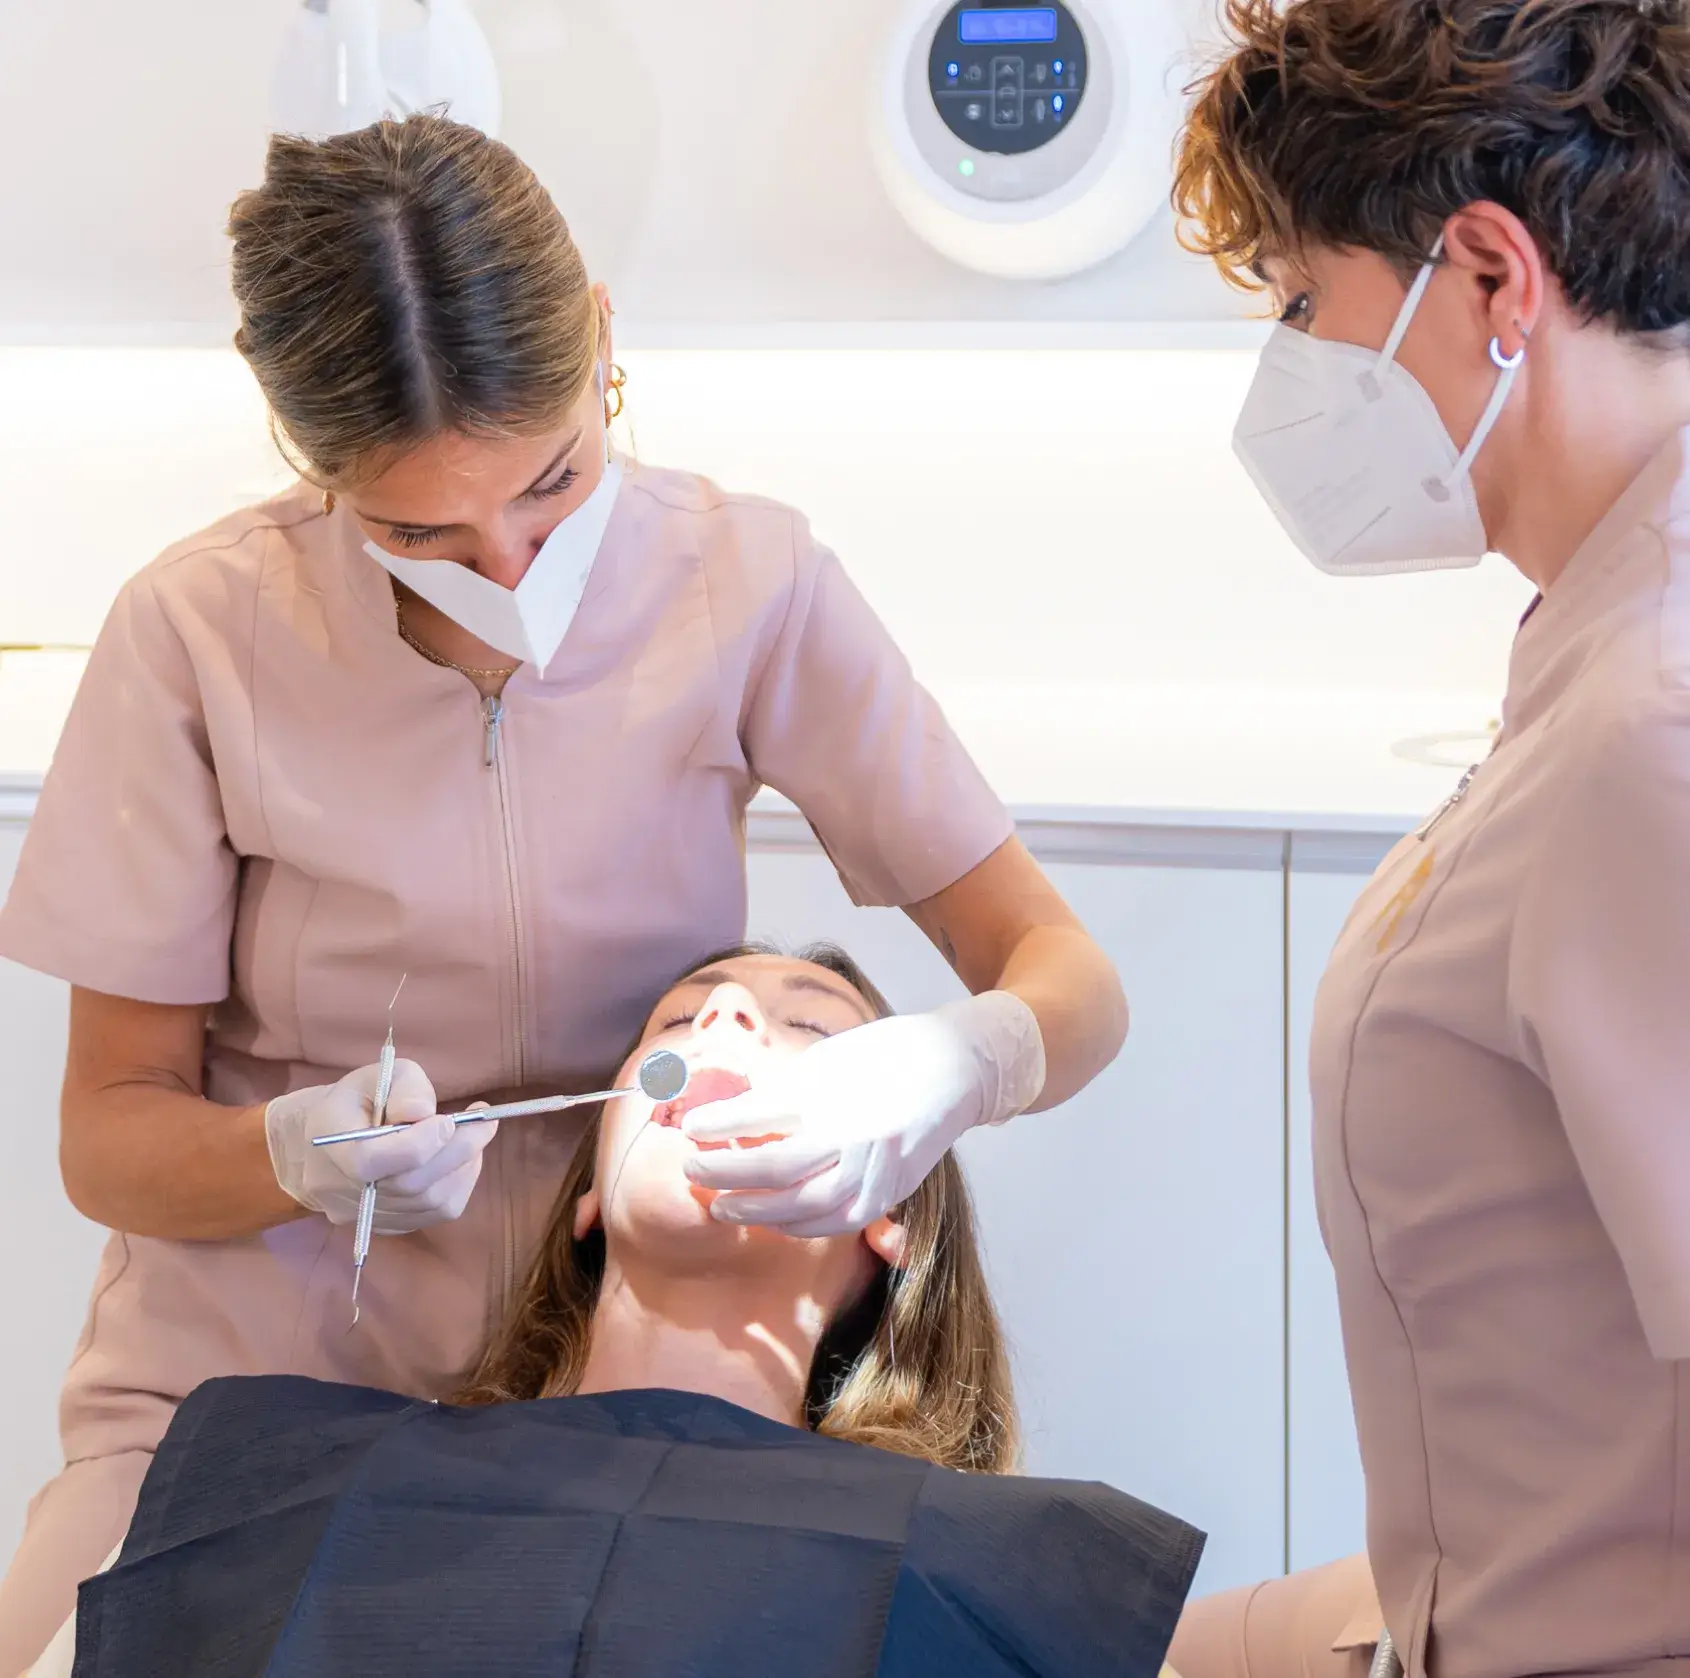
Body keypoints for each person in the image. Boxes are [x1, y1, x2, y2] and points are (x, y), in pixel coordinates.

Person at [0, 116, 1128, 1675]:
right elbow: (109, 1131)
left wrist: (958, 1061)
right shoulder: (199, 634)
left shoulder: (746, 584)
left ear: (603, 341)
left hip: (592, 1411)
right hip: (234, 1402)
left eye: (549, 485)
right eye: (418, 533)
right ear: (308, 462)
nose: (511, 560)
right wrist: (285, 1153)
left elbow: (1064, 974)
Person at [1166, 0, 1690, 1674]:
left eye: (1308, 303)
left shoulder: (1649, 725)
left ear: (1488, 278)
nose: (1293, 366)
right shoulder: (1593, 643)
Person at [29, 948, 1200, 1678]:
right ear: (587, 1195)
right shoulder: (260, 1477)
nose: (730, 1018)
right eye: (679, 1020)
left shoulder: (1012, 1571)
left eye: (810, 1029)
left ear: (891, 1214)